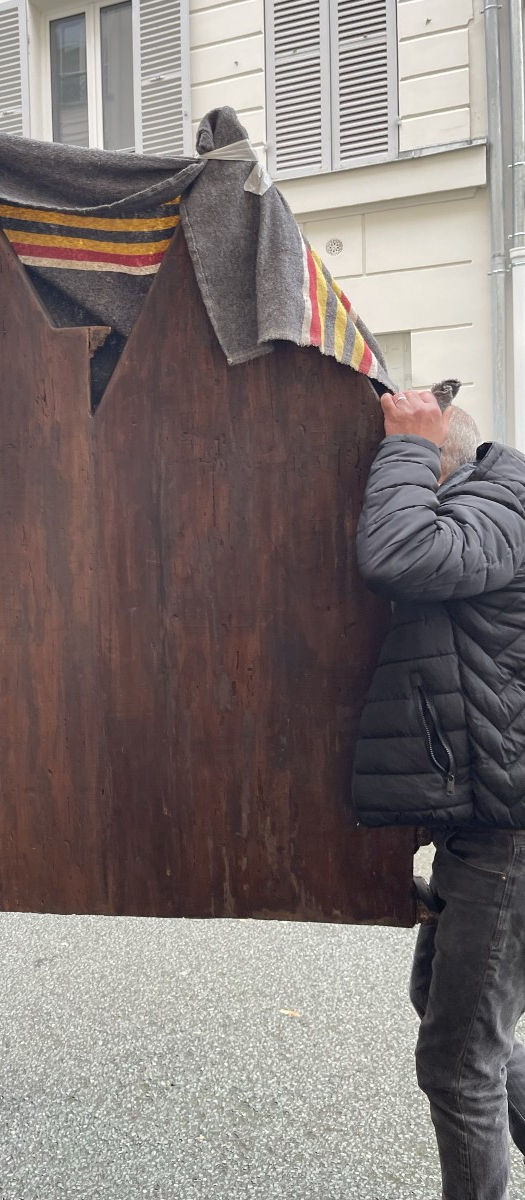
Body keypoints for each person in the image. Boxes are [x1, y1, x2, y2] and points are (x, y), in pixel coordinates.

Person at [352, 388, 525, 1200]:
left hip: (511, 837)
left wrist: (405, 448)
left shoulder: (499, 503)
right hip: (491, 826)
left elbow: (398, 555)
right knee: (452, 1016)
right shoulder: (489, 503)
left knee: (457, 1066)